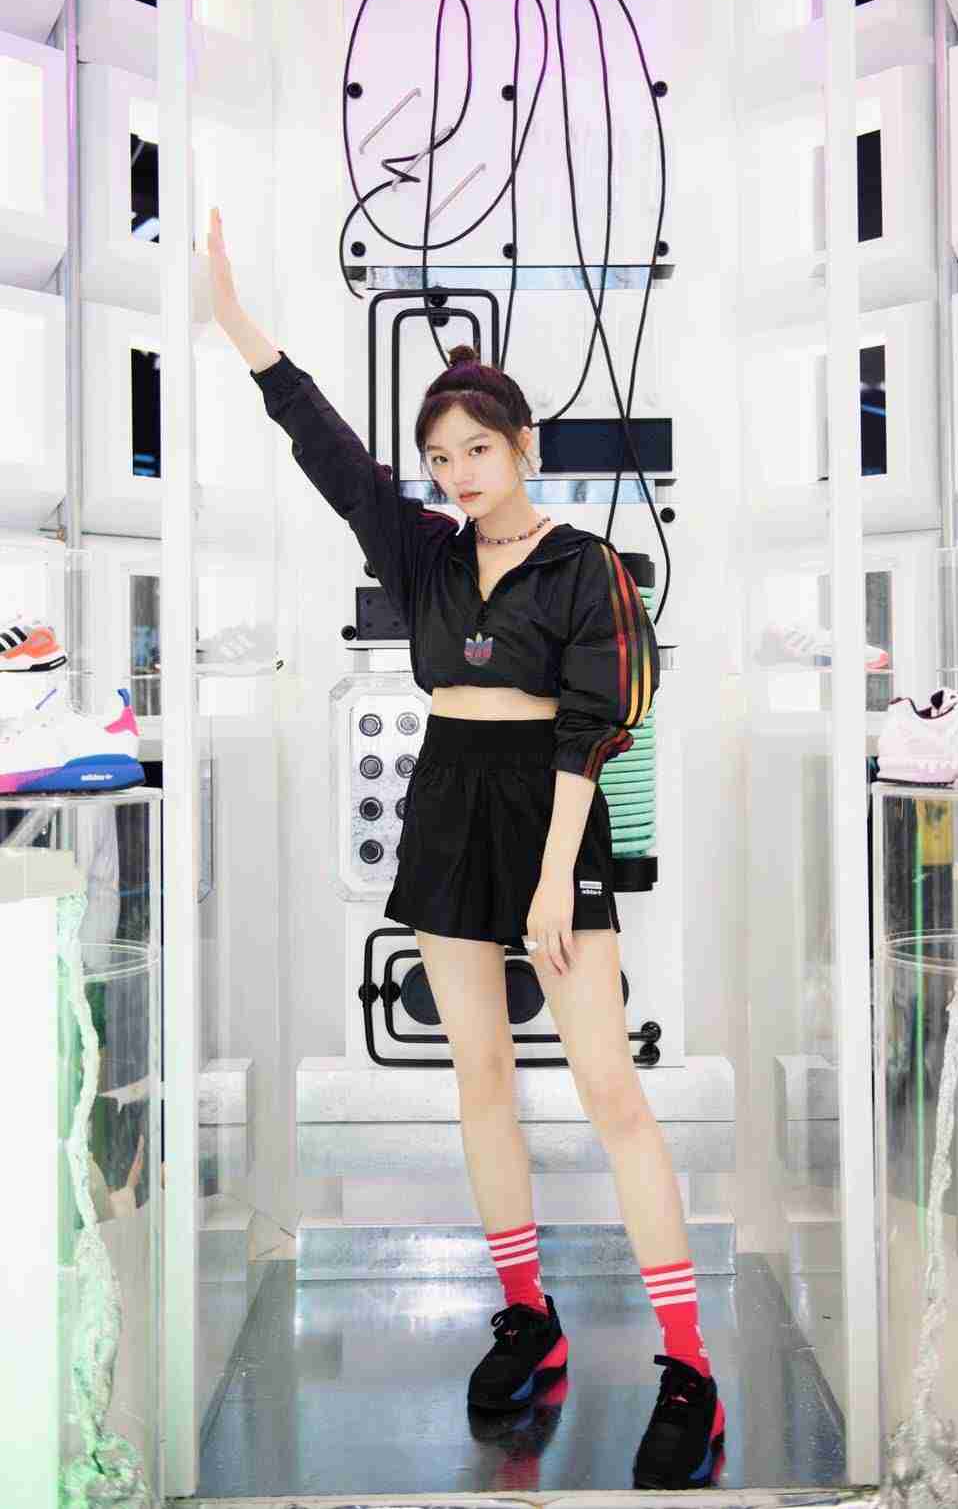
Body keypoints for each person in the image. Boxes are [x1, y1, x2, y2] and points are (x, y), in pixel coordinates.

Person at [207, 205, 725, 1488]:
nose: (456, 472)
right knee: (479, 1078)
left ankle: (688, 1363)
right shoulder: (423, 553)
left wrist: (554, 876)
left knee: (607, 1087)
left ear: (522, 445)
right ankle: (527, 1317)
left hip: (553, 810)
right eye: (440, 456)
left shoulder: (587, 566)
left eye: (477, 450)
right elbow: (330, 453)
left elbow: (597, 725)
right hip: (448, 801)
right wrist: (240, 329)